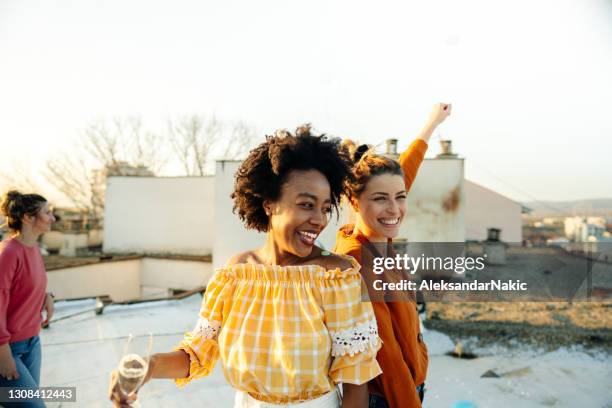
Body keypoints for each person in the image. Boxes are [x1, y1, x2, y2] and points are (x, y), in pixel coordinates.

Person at [110, 125, 382, 407]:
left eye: (325, 208)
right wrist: (147, 367)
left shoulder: (335, 278)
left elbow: (355, 385)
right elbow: (196, 354)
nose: (319, 219)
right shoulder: (236, 274)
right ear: (268, 204)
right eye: (306, 204)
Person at [334, 103, 452, 408]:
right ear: (354, 201)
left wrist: (430, 125)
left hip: (408, 386)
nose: (395, 209)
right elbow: (386, 353)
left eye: (400, 197)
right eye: (381, 198)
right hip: (389, 397)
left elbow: (402, 175)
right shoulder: (360, 260)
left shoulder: (374, 234)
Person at [0, 190, 56, 408]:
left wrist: (46, 296)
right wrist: (3, 355)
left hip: (32, 343)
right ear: (28, 217)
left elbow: (23, 284)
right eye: (47, 212)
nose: (52, 218)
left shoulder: (33, 248)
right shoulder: (8, 253)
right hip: (8, 349)